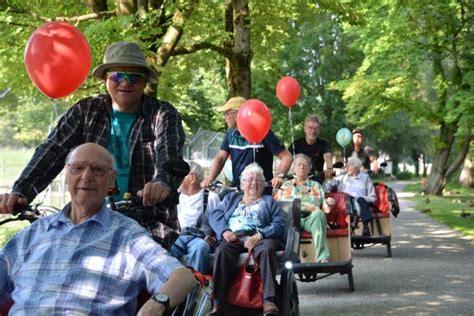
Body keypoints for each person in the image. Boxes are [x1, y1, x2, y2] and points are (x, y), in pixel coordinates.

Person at [0, 41, 186, 240]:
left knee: (148, 268)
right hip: (87, 219)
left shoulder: (162, 114)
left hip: (147, 223)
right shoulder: (86, 111)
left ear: (145, 82)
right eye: (117, 76)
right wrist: (22, 191)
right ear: (105, 79)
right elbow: (52, 150)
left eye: (134, 77)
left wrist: (162, 183)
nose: (125, 82)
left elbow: (169, 152)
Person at [0, 143, 196, 315]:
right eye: (77, 168)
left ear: (112, 180)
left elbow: (182, 277)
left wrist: (156, 305)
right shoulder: (32, 234)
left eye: (97, 170)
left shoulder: (127, 235)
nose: (86, 176)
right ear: (67, 175)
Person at [208, 163, 286, 316]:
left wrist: (260, 235)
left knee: (267, 248)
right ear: (242, 184)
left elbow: (279, 224)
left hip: (260, 237)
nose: (253, 183)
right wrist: (225, 230)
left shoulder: (269, 201)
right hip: (234, 237)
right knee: (223, 250)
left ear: (263, 185)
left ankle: (269, 301)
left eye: (258, 180)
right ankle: (219, 303)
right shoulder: (231, 199)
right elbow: (214, 215)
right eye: (249, 180)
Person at [201, 97, 292, 194]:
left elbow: (287, 156)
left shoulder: (262, 131)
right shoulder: (230, 134)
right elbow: (220, 158)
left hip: (259, 192)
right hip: (237, 190)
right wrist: (210, 178)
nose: (225, 117)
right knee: (219, 206)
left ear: (237, 115)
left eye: (226, 113)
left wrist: (279, 176)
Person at [274, 154, 331, 263]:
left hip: (311, 219)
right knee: (287, 218)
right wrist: (308, 207)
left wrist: (329, 205)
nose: (302, 167)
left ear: (309, 169)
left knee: (318, 214)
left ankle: (322, 257)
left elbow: (324, 208)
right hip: (294, 218)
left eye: (305, 165)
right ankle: (288, 258)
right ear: (294, 168)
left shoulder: (316, 186)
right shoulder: (286, 186)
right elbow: (280, 205)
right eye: (299, 165)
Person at [169, 161, 220, 274]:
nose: (176, 180)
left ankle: (197, 285)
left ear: (192, 178)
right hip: (178, 236)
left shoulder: (211, 198)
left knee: (201, 248)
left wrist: (214, 238)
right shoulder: (176, 197)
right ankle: (169, 286)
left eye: (181, 176)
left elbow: (218, 222)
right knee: (167, 247)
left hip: (199, 239)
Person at [327, 156, 376, 236]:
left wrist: (361, 199)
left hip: (360, 203)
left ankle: (365, 226)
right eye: (347, 165)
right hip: (345, 203)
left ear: (357, 168)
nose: (347, 167)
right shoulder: (342, 177)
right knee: (347, 199)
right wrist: (327, 188)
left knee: (359, 200)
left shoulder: (365, 178)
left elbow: (372, 197)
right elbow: (328, 185)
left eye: (350, 165)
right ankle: (343, 224)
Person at [289, 114, 333, 184]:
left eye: (316, 128)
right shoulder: (296, 144)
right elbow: (287, 159)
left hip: (316, 180)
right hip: (297, 179)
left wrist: (329, 169)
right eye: (310, 128)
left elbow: (328, 157)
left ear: (319, 130)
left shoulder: (324, 144)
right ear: (305, 129)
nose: (313, 131)